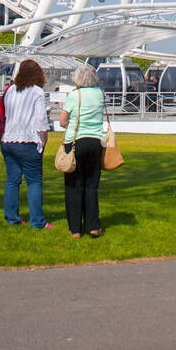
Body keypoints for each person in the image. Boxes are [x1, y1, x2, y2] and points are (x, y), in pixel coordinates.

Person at [0, 59, 52, 228]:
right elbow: (41, 119)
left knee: (12, 180)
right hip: (28, 140)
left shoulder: (10, 91)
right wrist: (43, 140)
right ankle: (37, 221)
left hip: (8, 139)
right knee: (34, 181)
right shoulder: (36, 92)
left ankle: (11, 217)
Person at [58, 65, 106, 238]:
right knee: (91, 186)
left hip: (75, 142)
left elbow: (63, 121)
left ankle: (75, 228)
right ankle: (93, 225)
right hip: (94, 141)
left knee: (73, 185)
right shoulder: (100, 94)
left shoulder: (74, 96)